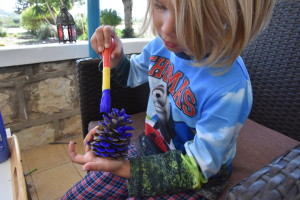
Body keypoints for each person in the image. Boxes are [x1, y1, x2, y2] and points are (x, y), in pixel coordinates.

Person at [63, 0, 274, 199]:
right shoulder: (160, 46)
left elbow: (198, 168)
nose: (166, 28)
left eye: (190, 18)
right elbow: (131, 74)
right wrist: (117, 58)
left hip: (195, 178)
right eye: (161, 5)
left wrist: (123, 168)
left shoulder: (230, 87)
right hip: (150, 148)